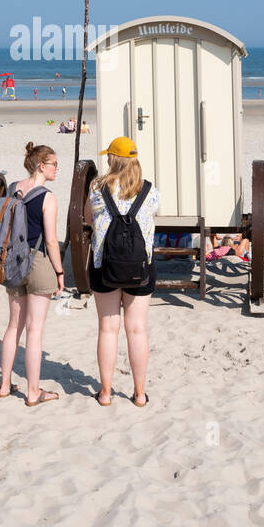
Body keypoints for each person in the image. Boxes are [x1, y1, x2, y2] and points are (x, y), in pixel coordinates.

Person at [88, 137, 159, 407]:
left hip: (103, 264)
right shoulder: (150, 191)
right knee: (137, 329)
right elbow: (152, 217)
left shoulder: (97, 189)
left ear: (112, 159)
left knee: (108, 328)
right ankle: (139, 393)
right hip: (140, 265)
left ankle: (105, 393)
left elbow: (88, 218)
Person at [0, 143, 66, 405]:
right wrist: (59, 272)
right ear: (41, 166)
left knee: (14, 326)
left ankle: (5, 385)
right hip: (37, 263)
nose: (57, 169)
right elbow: (50, 241)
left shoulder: (14, 187)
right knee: (34, 330)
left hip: (13, 261)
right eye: (54, 164)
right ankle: (33, 391)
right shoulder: (48, 197)